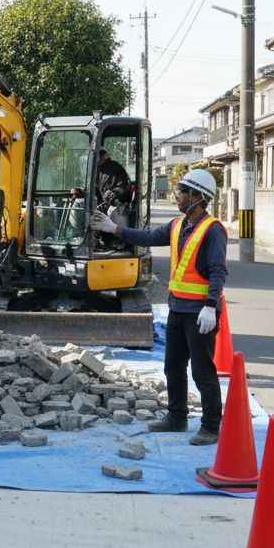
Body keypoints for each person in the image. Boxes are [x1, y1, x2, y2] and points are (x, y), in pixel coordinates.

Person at [90, 169, 226, 445]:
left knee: (202, 372)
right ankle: (177, 418)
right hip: (177, 310)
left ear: (198, 197)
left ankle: (211, 426)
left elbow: (217, 271)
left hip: (200, 313)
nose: (177, 195)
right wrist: (113, 228)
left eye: (183, 191)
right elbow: (148, 237)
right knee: (173, 368)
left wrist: (211, 306)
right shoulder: (177, 225)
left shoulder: (213, 231)